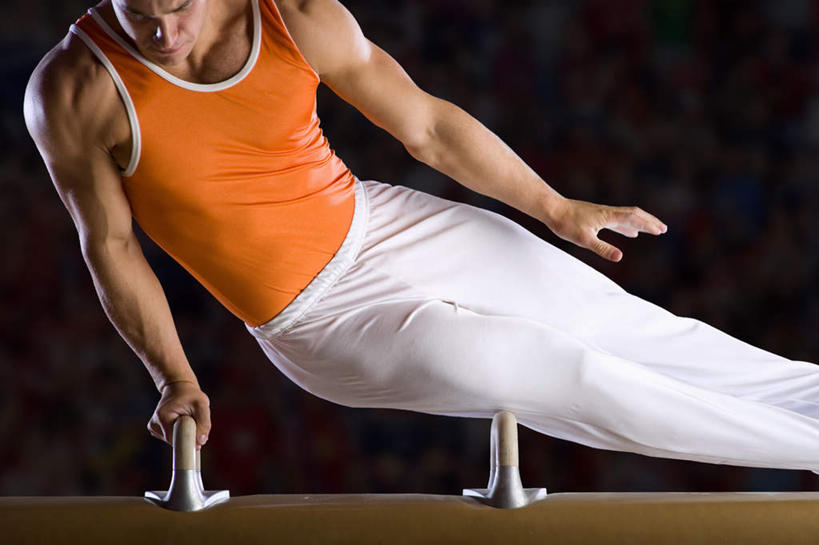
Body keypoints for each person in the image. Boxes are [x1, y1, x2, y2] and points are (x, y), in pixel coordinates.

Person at [23, 0, 819, 476]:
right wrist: (173, 375)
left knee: (624, 325)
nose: (163, 33)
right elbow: (111, 246)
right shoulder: (74, 89)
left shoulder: (293, 15)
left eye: (179, 9)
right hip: (316, 321)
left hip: (384, 224)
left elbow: (427, 127)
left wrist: (552, 206)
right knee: (557, 367)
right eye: (140, 14)